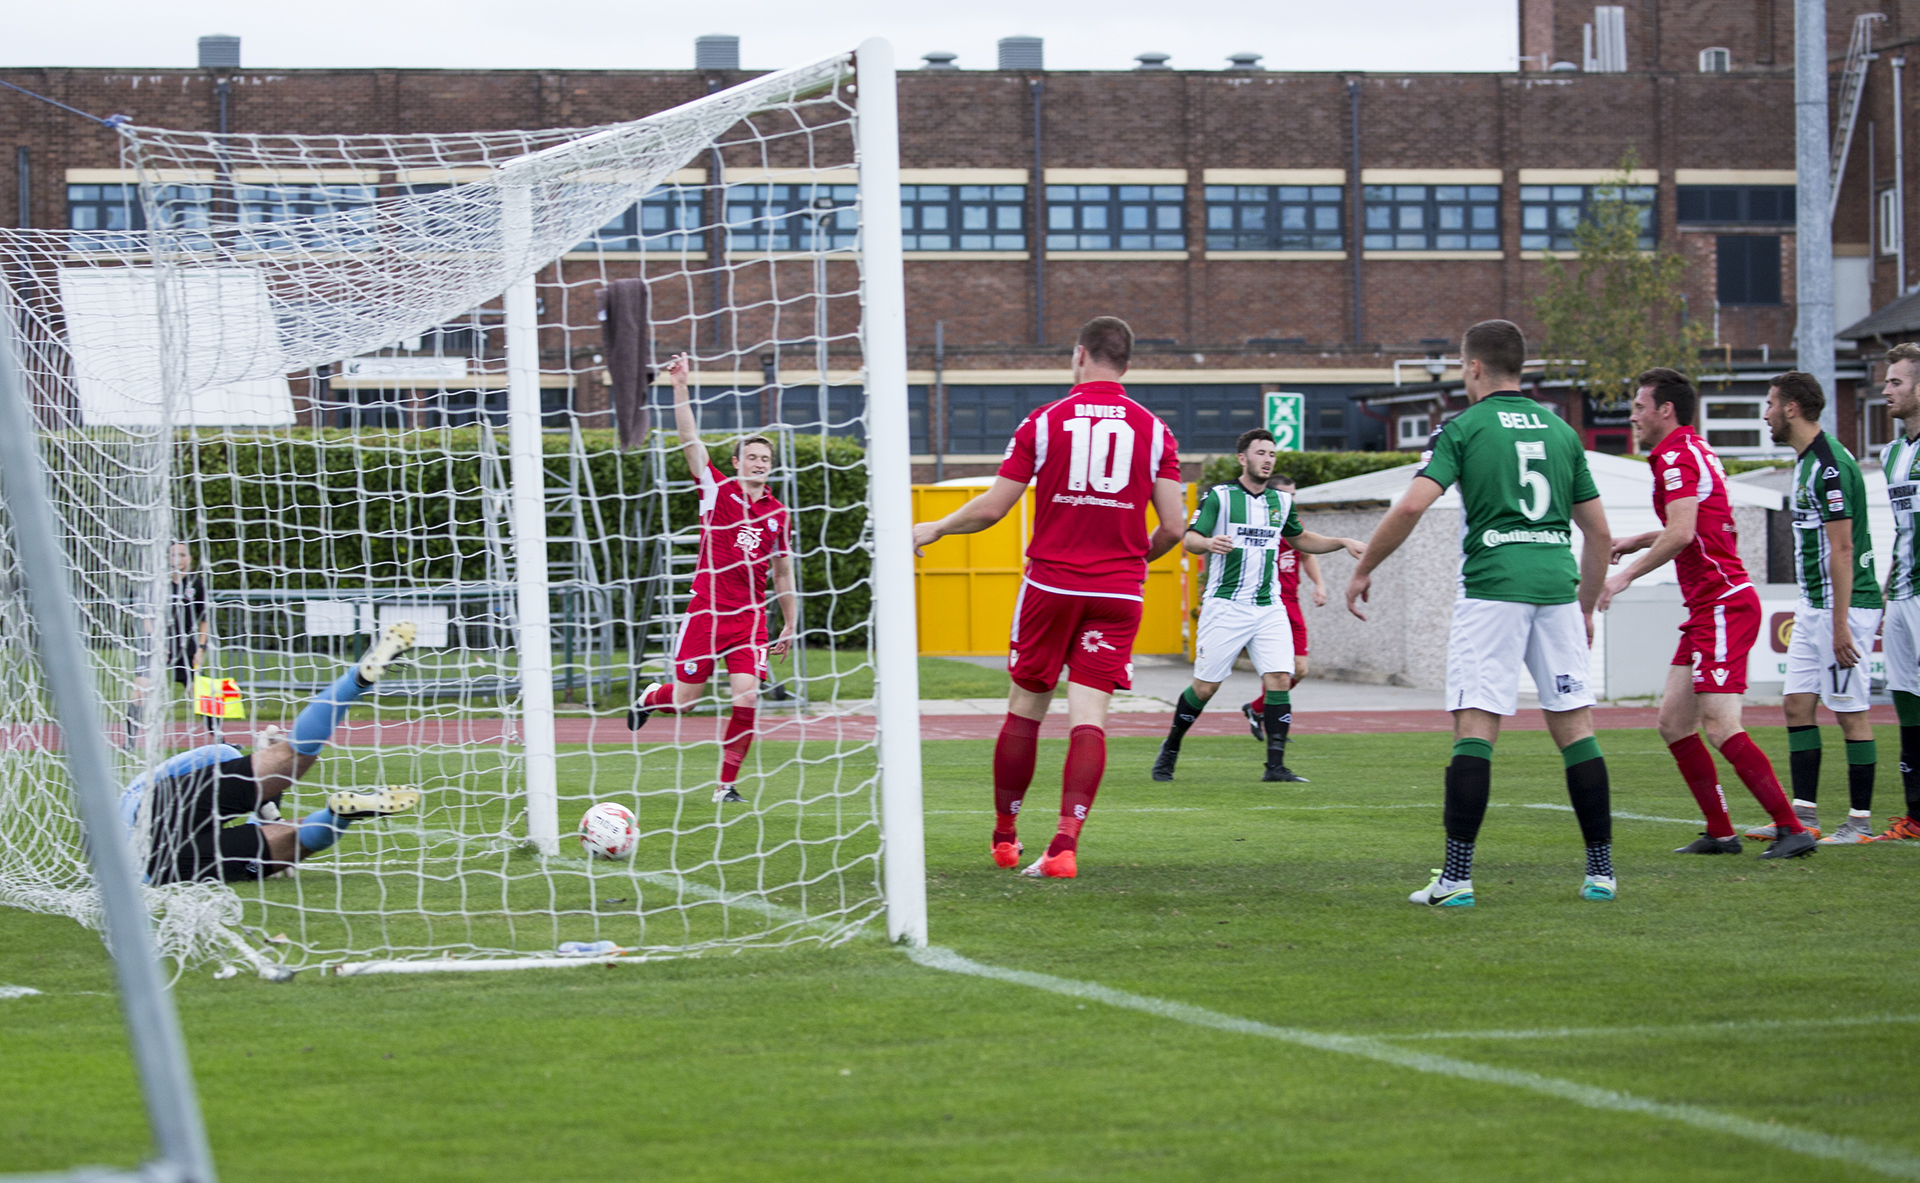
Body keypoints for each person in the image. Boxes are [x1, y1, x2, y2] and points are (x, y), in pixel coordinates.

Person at [1345, 319, 1616, 907]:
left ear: (1472, 368)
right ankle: (1600, 873)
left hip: (1494, 587)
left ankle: (1457, 878)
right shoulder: (1562, 431)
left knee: (1475, 727)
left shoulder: (1463, 427)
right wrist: (1586, 606)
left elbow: (1414, 504)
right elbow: (1598, 533)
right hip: (1557, 588)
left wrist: (1366, 564)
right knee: (1575, 728)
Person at [911, 316, 1185, 879]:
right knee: (1090, 719)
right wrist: (1135, 562)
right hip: (1117, 593)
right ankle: (1064, 845)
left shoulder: (1045, 421)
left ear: (1079, 355)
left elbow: (992, 508)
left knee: (1026, 709)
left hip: (1052, 585)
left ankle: (1006, 837)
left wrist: (934, 528)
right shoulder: (1156, 431)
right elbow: (1177, 527)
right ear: (1128, 364)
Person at [1599, 368, 1815, 858]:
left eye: (1638, 406)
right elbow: (1694, 524)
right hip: (1709, 604)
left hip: (1723, 602)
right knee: (1674, 722)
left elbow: (1681, 533)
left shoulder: (1675, 456)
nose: (1632, 416)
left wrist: (1624, 575)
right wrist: (1637, 538)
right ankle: (1720, 832)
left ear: (1665, 410)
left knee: (1720, 726)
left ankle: (1792, 828)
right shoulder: (1694, 449)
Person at [121, 623, 420, 886]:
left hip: (147, 863)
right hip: (155, 815)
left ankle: (337, 816)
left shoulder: (146, 789)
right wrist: (265, 772)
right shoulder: (222, 754)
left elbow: (254, 808)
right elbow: (239, 776)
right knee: (293, 760)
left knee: (293, 838)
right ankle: (355, 681)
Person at [626, 353, 800, 805]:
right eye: (752, 456)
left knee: (746, 698)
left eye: (765, 458)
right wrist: (679, 385)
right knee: (685, 702)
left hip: (749, 621)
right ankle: (651, 697)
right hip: (706, 612)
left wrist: (789, 622)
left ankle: (725, 785)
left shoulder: (778, 514)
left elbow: (782, 572)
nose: (759, 463)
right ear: (736, 460)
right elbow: (689, 439)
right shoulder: (716, 490)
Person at [1153, 437, 1362, 783]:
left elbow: (1301, 539)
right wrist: (1207, 542)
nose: (1267, 460)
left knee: (1281, 676)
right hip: (1225, 606)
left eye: (1271, 454)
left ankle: (1275, 767)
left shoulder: (1281, 500)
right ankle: (1171, 745)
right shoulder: (1219, 495)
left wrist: (1342, 542)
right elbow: (1190, 538)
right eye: (1260, 453)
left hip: (1268, 606)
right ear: (1242, 458)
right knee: (1205, 688)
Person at [1742, 371, 1884, 846]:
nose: (1764, 414)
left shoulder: (1829, 466)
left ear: (1791, 408)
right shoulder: (1804, 463)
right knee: (1796, 704)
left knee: (1849, 711)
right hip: (1813, 606)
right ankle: (1802, 817)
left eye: (1768, 403)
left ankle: (1860, 823)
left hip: (1844, 609)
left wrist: (1841, 625)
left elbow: (1842, 550)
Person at [1240, 472, 1326, 743]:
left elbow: (1307, 554)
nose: (1292, 501)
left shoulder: (1294, 524)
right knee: (1276, 669)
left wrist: (1319, 585)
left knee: (1300, 670)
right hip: (1268, 603)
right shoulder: (1262, 524)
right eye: (1287, 496)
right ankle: (1273, 721)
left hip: (1293, 604)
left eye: (1294, 496)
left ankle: (1256, 709)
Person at [1876, 343, 1920, 842]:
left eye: (1896, 382)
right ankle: (1915, 814)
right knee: (1906, 698)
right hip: (1902, 592)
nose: (1886, 390)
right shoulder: (1890, 455)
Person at [126, 541, 213, 748]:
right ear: (168, 558)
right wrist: (156, 641)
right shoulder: (158, 584)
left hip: (186, 646)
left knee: (203, 692)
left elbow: (205, 620)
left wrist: (201, 649)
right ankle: (129, 742)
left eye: (182, 555)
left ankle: (221, 741)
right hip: (157, 646)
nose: (178, 559)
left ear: (189, 559)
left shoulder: (197, 585)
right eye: (174, 555)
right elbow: (146, 616)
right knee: (140, 689)